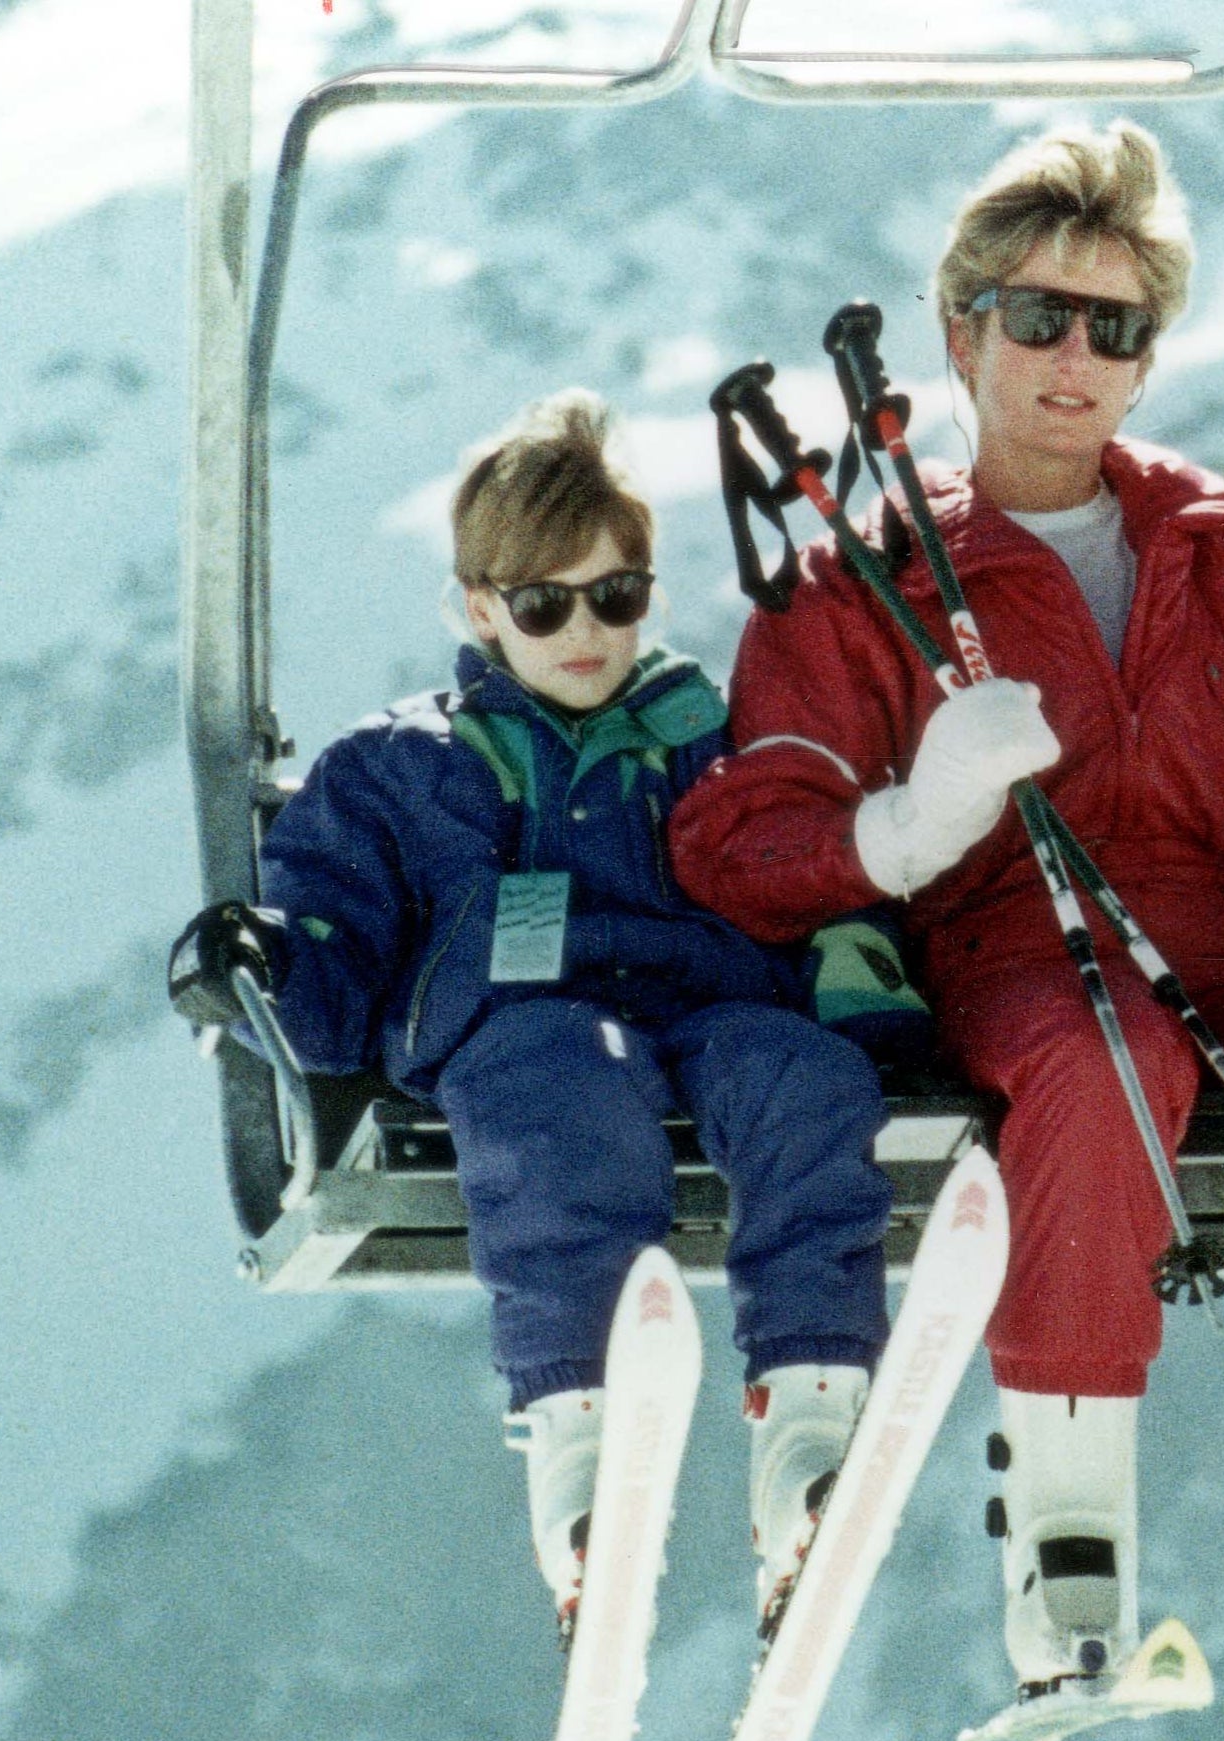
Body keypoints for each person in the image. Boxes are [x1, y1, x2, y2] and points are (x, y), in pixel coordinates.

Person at [670, 124, 1224, 1713]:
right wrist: (910, 821)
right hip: (1018, 948)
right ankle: (1069, 1534)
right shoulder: (861, 584)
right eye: (1036, 318)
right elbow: (748, 837)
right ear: (960, 333)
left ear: (1151, 358)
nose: (1074, 359)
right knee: (1093, 1056)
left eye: (1116, 326)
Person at [167, 391, 924, 1646]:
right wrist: (271, 963)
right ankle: (582, 1443)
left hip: (708, 1010)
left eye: (615, 596)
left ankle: (809, 1422)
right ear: (479, 608)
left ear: (649, 594)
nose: (584, 632)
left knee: (804, 1082)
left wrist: (863, 987)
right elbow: (336, 958)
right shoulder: (406, 771)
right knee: (559, 1092)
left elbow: (812, 866)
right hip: (526, 1029)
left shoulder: (716, 741)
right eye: (543, 605)